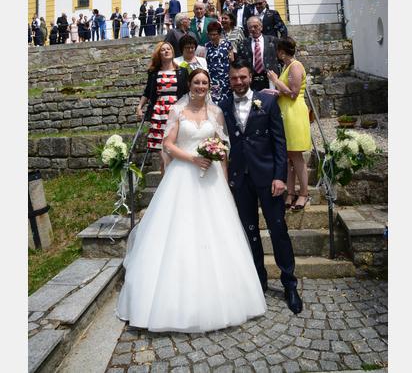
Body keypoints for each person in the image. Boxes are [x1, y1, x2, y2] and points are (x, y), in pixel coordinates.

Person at [117, 68, 267, 332]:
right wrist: (191, 158)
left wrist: (224, 178)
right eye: (196, 82)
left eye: (205, 83)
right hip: (182, 176)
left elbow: (223, 148)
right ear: (189, 84)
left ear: (209, 86)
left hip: (210, 180)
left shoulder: (216, 113)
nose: (200, 86)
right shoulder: (177, 110)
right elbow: (168, 144)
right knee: (179, 233)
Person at [219, 60, 303, 314]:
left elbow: (280, 142)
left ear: (250, 76)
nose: (239, 82)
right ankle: (259, 282)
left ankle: (289, 284)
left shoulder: (267, 102)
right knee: (250, 233)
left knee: (278, 232)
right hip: (240, 180)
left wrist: (280, 177)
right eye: (234, 78)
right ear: (229, 79)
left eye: (242, 77)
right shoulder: (222, 106)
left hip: (269, 179)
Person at [266, 37, 312, 211]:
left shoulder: (296, 66)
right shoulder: (287, 67)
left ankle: (304, 193)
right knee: (286, 156)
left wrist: (275, 80)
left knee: (296, 156)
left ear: (282, 51)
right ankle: (291, 192)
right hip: (285, 112)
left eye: (278, 51)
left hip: (294, 113)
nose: (277, 54)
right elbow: (284, 92)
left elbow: (293, 93)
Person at [136, 42, 190, 166]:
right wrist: (139, 107)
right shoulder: (154, 73)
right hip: (159, 113)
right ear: (159, 54)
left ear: (172, 52)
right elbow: (147, 92)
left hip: (177, 112)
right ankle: (167, 176)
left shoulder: (182, 71)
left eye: (168, 49)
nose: (166, 51)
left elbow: (188, 93)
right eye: (163, 50)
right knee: (162, 150)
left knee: (177, 144)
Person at [237, 16, 281, 93]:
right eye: (250, 27)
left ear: (261, 27)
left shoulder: (273, 41)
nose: (253, 29)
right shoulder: (242, 44)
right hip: (252, 81)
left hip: (270, 80)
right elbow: (240, 63)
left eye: (255, 26)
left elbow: (281, 59)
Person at [205, 20, 233, 102]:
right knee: (215, 102)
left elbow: (232, 61)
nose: (212, 37)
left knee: (227, 102)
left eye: (214, 34)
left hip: (226, 80)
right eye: (210, 35)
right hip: (213, 81)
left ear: (220, 34)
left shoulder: (227, 44)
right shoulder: (206, 46)